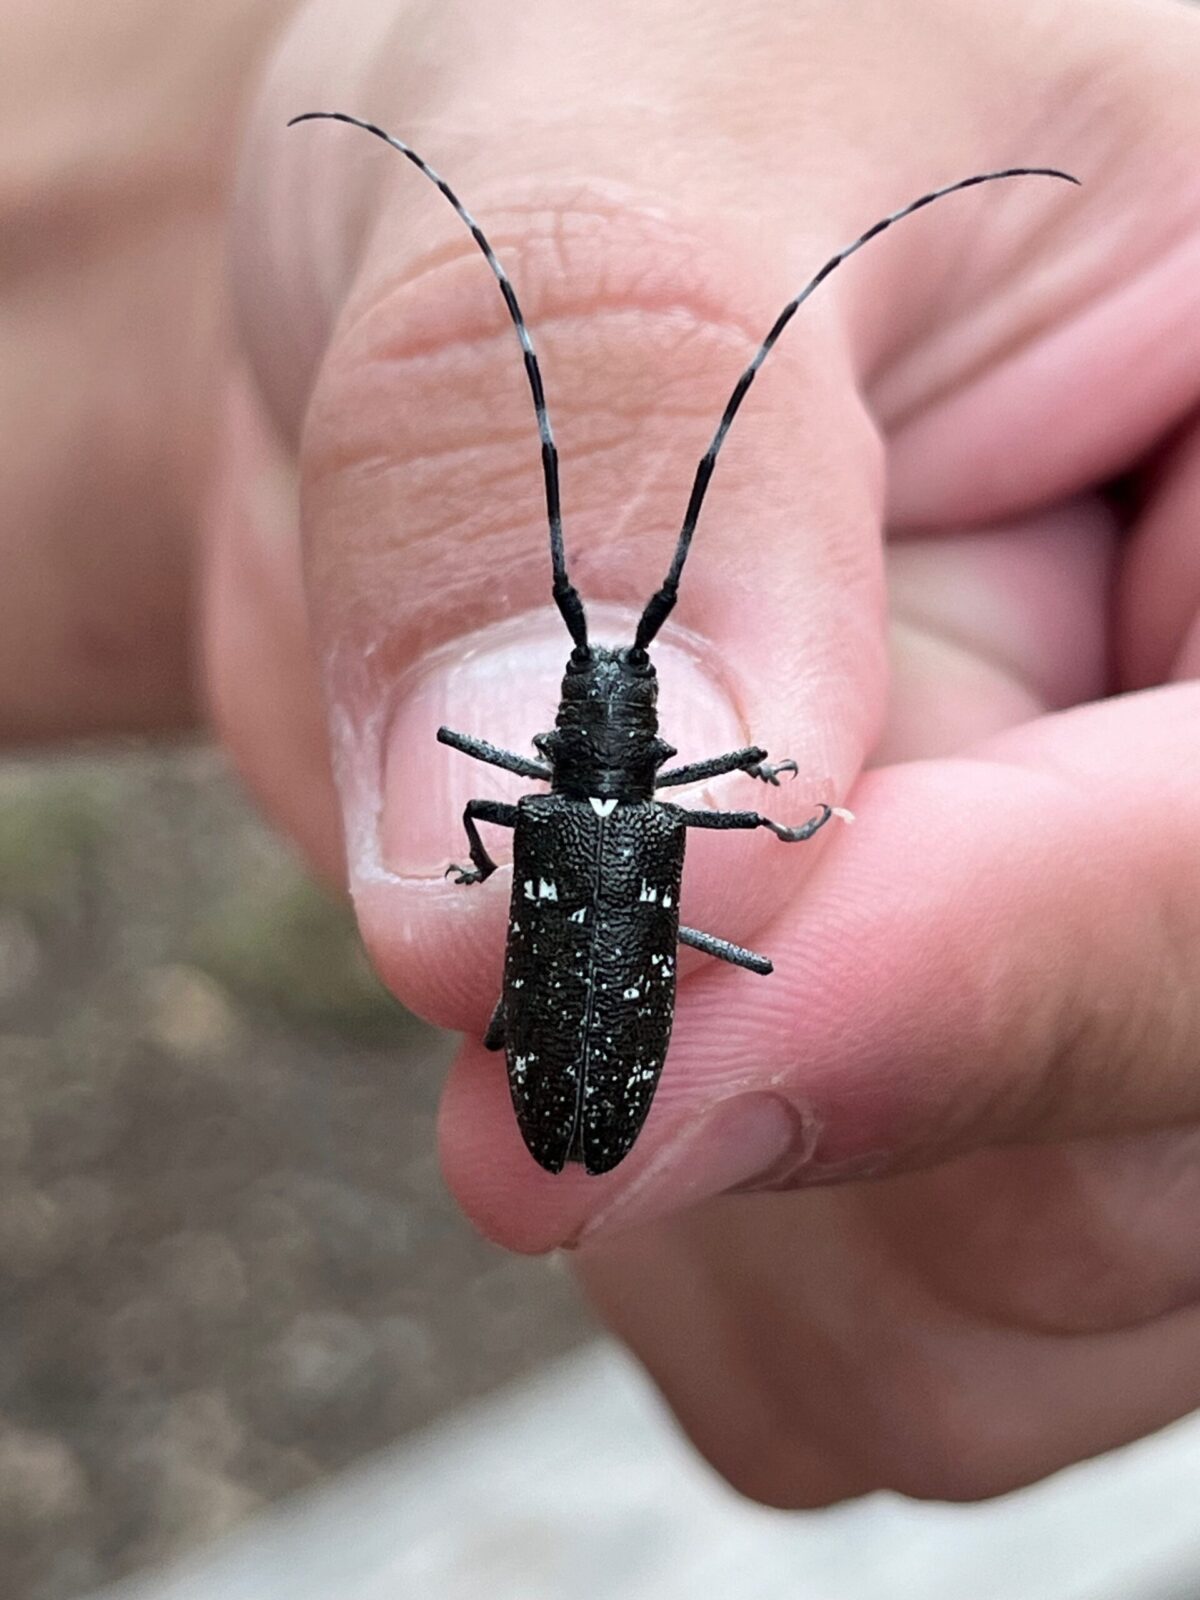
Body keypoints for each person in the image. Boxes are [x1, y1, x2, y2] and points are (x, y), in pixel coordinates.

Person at [6, 0, 1200, 1509]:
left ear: (581, 740)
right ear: (631, 744)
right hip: (614, 993)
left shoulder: (548, 815)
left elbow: (515, 857)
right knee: (740, 991)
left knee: (730, 1000)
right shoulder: (664, 812)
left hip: (591, 1001)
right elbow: (697, 840)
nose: (596, 687)